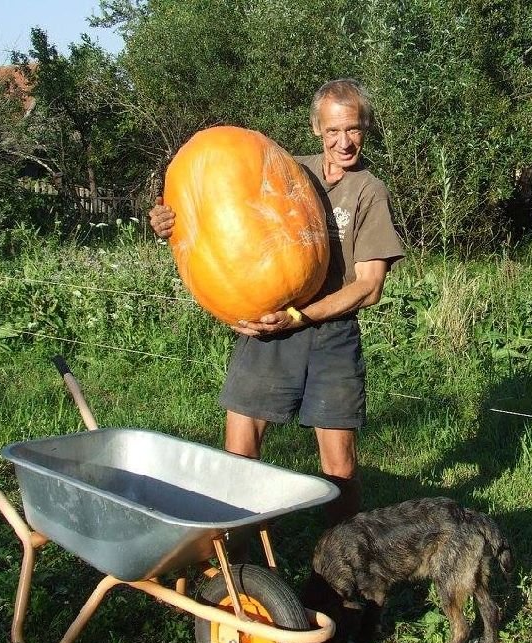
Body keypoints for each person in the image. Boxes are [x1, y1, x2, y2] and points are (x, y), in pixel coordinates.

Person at [150, 78, 404, 525]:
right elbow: (218, 214)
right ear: (316, 128)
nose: (344, 142)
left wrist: (299, 316)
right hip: (269, 323)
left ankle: (341, 560)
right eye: (333, 131)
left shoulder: (369, 191)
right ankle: (237, 550)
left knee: (340, 466)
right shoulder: (286, 168)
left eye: (353, 129)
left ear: (365, 128)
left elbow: (369, 286)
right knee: (239, 452)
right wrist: (169, 219)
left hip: (331, 331)